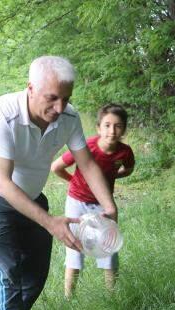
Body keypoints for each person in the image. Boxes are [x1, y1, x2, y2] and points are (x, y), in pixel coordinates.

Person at [0, 56, 117, 310]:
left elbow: (86, 163)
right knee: (7, 274)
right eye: (52, 98)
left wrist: (108, 203)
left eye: (66, 98)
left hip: (32, 197)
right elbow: (3, 181)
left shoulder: (68, 118)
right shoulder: (2, 114)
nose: (60, 107)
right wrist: (50, 221)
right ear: (31, 89)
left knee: (35, 274)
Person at [51, 104, 135, 299]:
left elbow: (129, 169)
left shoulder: (125, 152)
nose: (112, 131)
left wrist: (112, 177)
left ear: (124, 129)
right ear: (98, 127)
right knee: (74, 249)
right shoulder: (86, 147)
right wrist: (75, 181)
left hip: (103, 206)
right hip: (77, 203)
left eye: (118, 126)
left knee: (108, 247)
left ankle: (111, 297)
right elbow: (56, 167)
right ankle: (68, 299)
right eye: (107, 125)